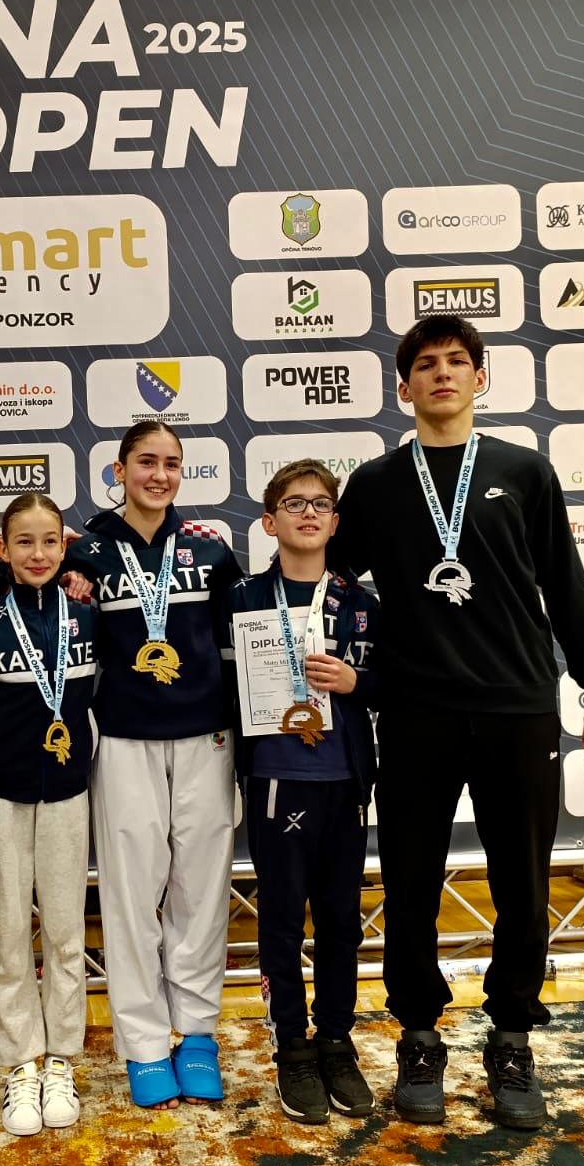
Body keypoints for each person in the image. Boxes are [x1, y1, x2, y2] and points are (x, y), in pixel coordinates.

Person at [330, 314, 584, 1130]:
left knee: (521, 885)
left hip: (516, 706)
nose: (442, 373)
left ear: (479, 377)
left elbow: (565, 581)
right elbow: (327, 575)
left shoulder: (524, 471)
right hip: (415, 709)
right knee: (411, 883)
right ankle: (419, 1036)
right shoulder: (376, 484)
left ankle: (513, 1038)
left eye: (457, 361)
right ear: (404, 387)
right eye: (426, 364)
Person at [63, 420, 242, 1109]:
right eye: (146, 462)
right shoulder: (85, 549)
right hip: (124, 738)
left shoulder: (209, 549)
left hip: (206, 737)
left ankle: (196, 1034)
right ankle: (141, 1042)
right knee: (132, 893)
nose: (159, 475)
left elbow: (238, 638)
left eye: (171, 463)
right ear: (119, 470)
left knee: (201, 889)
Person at [221, 459, 378, 1125]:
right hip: (276, 780)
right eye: (293, 503)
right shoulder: (243, 599)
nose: (308, 513)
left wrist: (356, 683)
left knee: (341, 921)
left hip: (343, 782)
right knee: (282, 921)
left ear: (335, 522)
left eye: (319, 504)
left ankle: (336, 1040)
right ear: (269, 521)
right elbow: (218, 685)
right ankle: (292, 1043)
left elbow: (397, 682)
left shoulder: (362, 604)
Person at [0, 493, 98, 1136]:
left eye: (50, 541)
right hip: (3, 793)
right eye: (25, 541)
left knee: (68, 932)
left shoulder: (88, 617)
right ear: (5, 548)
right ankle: (21, 1063)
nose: (39, 553)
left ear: (64, 546)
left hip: (69, 790)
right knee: (10, 933)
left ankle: (62, 1060)